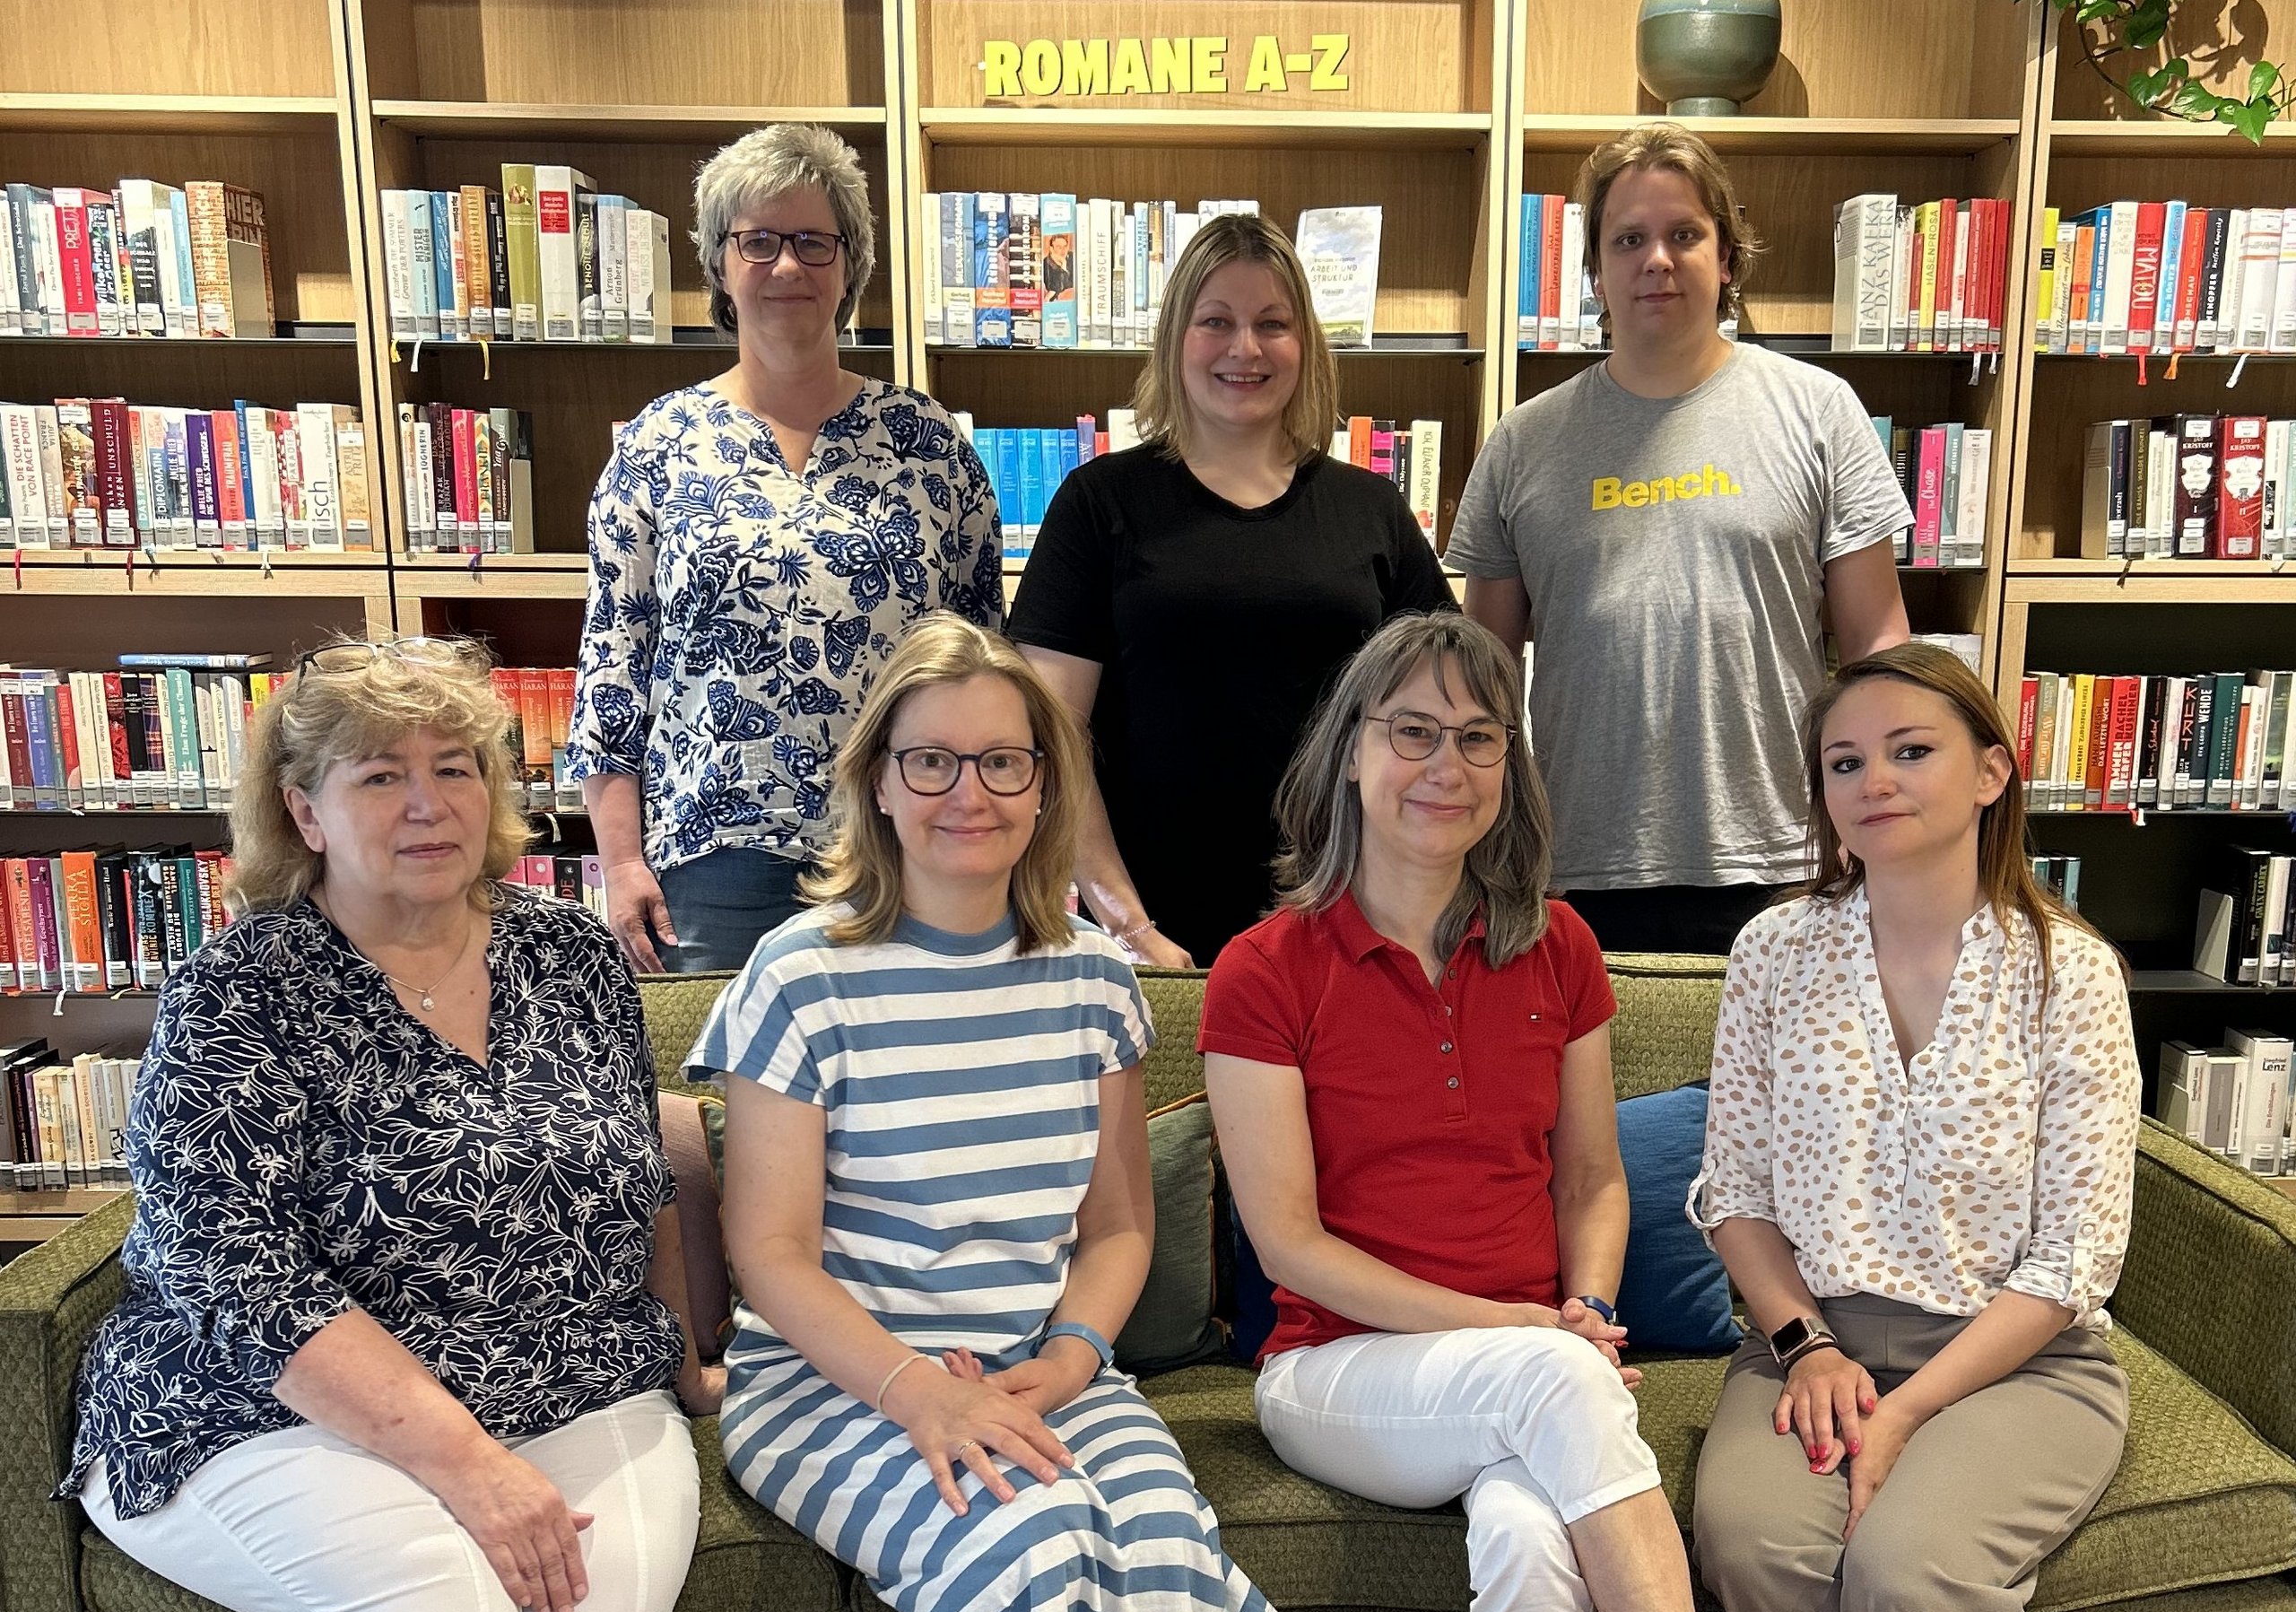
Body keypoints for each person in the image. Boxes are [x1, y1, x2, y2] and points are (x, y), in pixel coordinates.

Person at [1199, 610, 1889, 1612]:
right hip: (1337, 1372)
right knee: (1554, 1388)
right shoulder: (1264, 967)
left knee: (1534, 1547)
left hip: (1528, 1375)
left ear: (1509, 769)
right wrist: (1535, 1331)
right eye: (1411, 732)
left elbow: (1594, 1182)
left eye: (1477, 736)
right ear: (1351, 755)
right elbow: (1292, 1244)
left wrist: (1578, 1299)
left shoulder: (1557, 947)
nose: (1444, 764)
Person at [65, 639, 711, 1612]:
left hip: (577, 1378)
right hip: (264, 1411)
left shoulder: (568, 953)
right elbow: (236, 1272)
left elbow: (635, 1170)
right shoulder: (239, 991)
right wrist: (466, 1467)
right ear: (304, 812)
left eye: (455, 767)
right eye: (379, 775)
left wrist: (685, 1345)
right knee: (435, 1593)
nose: (428, 802)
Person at [688, 613, 1282, 1612]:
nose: (971, 792)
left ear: (1048, 786)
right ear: (879, 783)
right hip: (833, 1383)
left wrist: (1066, 1363)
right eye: (932, 761)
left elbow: (1115, 1231)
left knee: (1164, 1553)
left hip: (1039, 1376)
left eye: (1005, 761)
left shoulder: (1093, 977)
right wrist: (919, 1391)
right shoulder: (801, 974)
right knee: (1033, 1534)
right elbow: (770, 1252)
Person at [1688, 641, 2141, 1612]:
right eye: (1844, 761)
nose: (1873, 780)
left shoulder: (2072, 973)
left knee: (1907, 1569)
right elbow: (1737, 1193)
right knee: (1755, 1542)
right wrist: (1814, 1349)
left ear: (1995, 772)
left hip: (2019, 1358)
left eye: (1911, 749)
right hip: (1813, 1345)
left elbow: (2075, 1258)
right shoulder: (1777, 951)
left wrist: (1903, 1409)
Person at [1449, 123, 1912, 954]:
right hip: (1571, 870)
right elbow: (1482, 681)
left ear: (1727, 257)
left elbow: (1880, 648)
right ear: (1594, 268)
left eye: (1684, 234)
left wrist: (1870, 827)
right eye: (1629, 239)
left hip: (1787, 862)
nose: (1655, 259)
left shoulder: (1819, 411)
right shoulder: (1522, 442)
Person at [573, 122, 1002, 975]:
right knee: (729, 1097)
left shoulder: (927, 442)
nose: (786, 267)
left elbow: (982, 658)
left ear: (850, 266)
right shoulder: (662, 442)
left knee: (898, 1095)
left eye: (813, 241)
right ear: (720, 264)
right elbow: (613, 663)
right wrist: (622, 864)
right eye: (758, 241)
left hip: (904, 842)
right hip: (713, 859)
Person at [1011, 212, 1452, 967]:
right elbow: (1050, 737)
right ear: (1177, 337)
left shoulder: (1369, 509)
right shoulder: (1098, 502)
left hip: (1345, 930)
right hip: (1157, 937)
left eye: (1271, 324)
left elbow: (1445, 715)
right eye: (1216, 321)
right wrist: (1128, 925)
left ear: (1304, 344)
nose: (1244, 349)